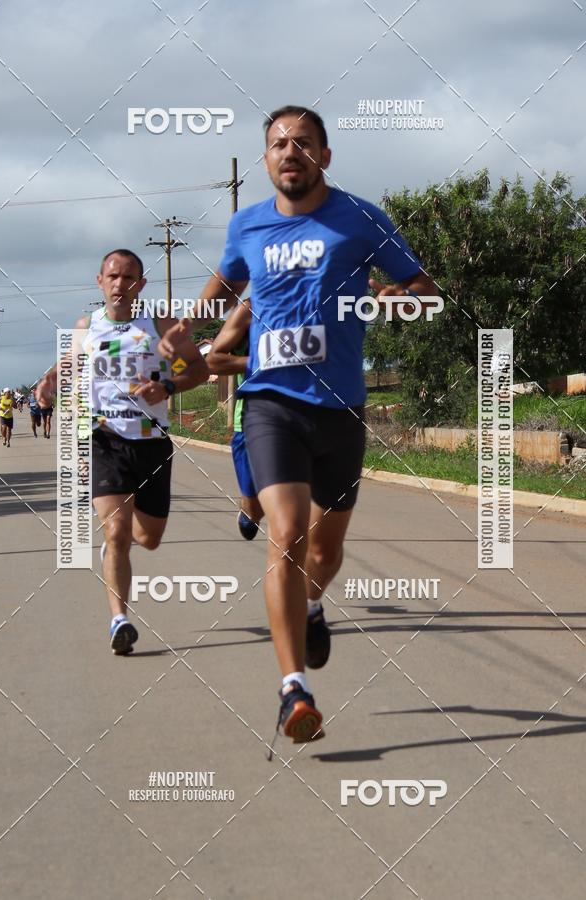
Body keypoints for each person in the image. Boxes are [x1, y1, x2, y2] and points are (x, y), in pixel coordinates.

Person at [160, 105, 438, 745]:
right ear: (267, 160)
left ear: (324, 156)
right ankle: (293, 691)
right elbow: (226, 283)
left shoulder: (361, 217)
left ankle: (313, 603)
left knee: (325, 550)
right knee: (284, 532)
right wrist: (189, 326)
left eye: (304, 143)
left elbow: (424, 288)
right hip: (269, 402)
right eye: (279, 144)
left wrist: (393, 296)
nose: (291, 152)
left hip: (340, 408)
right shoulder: (247, 223)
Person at [37, 248, 209, 654]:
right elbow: (67, 364)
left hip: (151, 443)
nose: (120, 284)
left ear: (141, 284)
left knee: (147, 539)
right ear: (100, 282)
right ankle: (119, 620)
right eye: (113, 276)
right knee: (116, 531)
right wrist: (47, 382)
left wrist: (166, 387)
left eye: (129, 277)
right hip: (103, 439)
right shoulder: (87, 327)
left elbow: (199, 371)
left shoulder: (162, 327)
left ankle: (122, 543)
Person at [206, 300, 264, 540]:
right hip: (250, 420)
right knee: (253, 516)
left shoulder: (310, 304)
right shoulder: (249, 310)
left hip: (298, 420)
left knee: (290, 513)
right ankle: (247, 509)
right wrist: (263, 361)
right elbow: (214, 360)